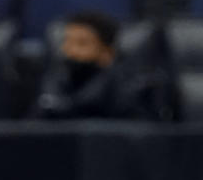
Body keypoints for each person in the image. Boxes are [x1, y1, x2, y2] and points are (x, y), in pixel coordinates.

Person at [33, 10, 165, 120]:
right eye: (66, 42)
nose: (70, 51)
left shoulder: (127, 94)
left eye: (81, 44)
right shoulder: (56, 81)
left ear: (107, 52)